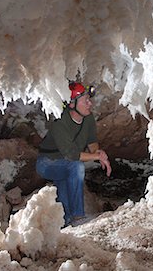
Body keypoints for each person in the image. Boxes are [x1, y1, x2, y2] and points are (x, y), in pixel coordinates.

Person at [36, 81, 112, 226]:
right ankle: (78, 216)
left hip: (64, 163)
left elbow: (91, 142)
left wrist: (98, 153)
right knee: (76, 167)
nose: (90, 103)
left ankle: (65, 222)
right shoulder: (60, 122)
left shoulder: (88, 118)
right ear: (72, 104)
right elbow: (71, 154)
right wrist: (97, 156)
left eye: (89, 100)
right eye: (85, 101)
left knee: (65, 181)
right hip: (47, 163)